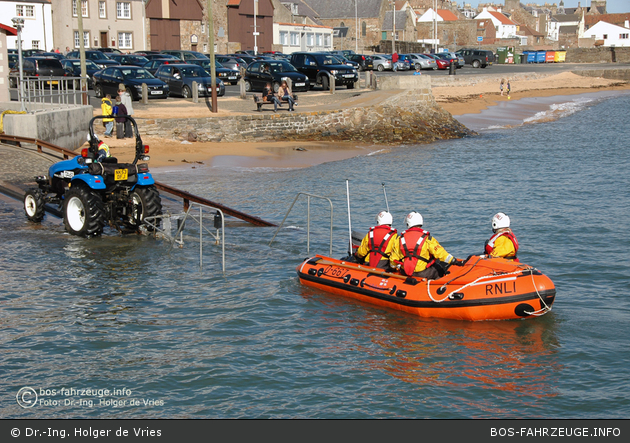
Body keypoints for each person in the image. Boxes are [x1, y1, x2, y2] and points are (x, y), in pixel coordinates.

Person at [389, 211, 462, 279]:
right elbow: (441, 253)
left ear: (408, 224)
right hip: (423, 273)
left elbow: (393, 260)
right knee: (438, 269)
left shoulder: (399, 239)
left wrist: (394, 267)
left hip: (405, 272)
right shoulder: (428, 239)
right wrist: (454, 261)